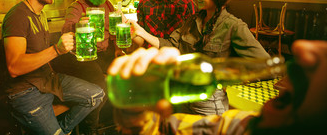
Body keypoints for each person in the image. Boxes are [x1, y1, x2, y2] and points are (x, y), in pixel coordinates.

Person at [129, 0, 270, 116]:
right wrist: (142, 33)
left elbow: (264, 64)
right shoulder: (193, 20)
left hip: (208, 105)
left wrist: (228, 77)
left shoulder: (233, 26)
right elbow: (171, 45)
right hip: (184, 98)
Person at [108, 40, 327, 134]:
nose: (302, 46)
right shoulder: (241, 127)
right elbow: (158, 131)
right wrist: (135, 108)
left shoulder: (231, 22)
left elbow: (258, 55)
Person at [2, 0, 104, 135]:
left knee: (96, 95)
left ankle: (61, 130)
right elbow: (14, 67)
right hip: (26, 92)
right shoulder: (17, 16)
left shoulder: (40, 13)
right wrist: (56, 50)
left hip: (48, 81)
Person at [51, 0, 123, 134]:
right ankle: (88, 129)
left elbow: (113, 33)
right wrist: (80, 24)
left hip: (106, 54)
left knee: (130, 74)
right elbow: (66, 29)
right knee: (100, 88)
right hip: (86, 56)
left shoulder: (108, 4)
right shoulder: (77, 7)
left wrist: (119, 49)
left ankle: (118, 125)